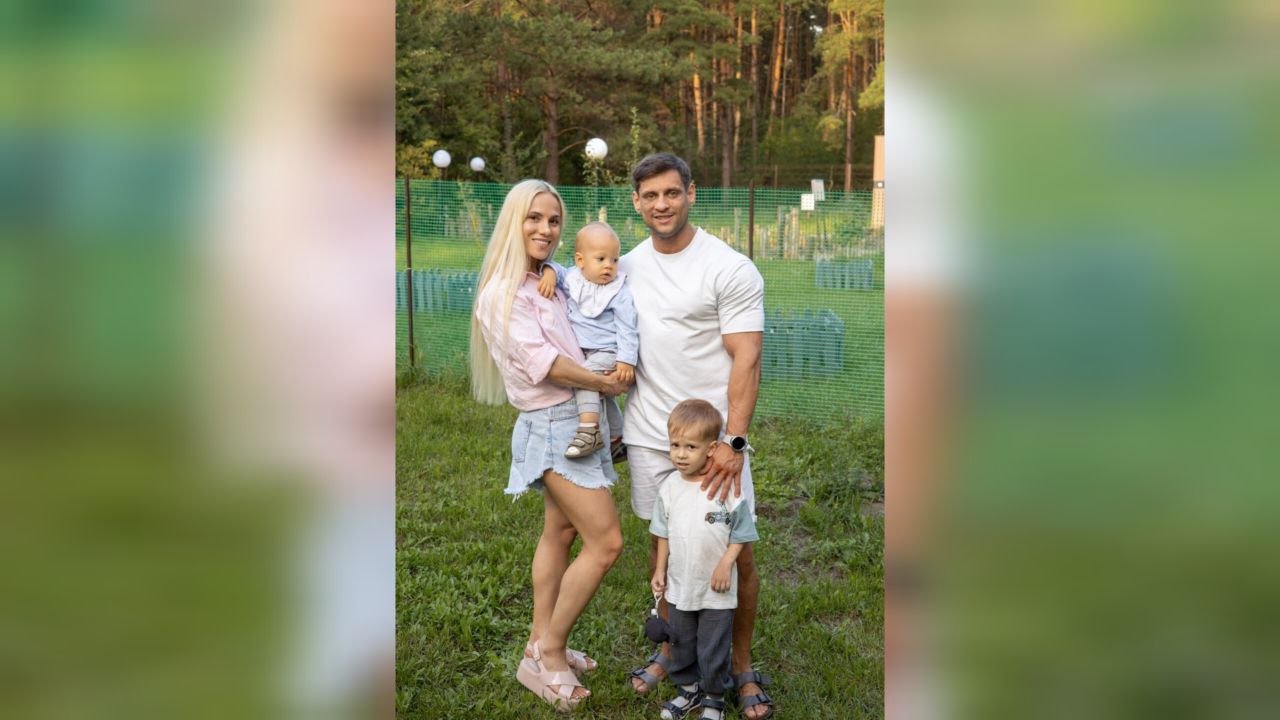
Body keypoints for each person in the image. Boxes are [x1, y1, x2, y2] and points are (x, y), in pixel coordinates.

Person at [621, 153, 775, 719]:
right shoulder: (625, 267)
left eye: (671, 192)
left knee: (737, 553)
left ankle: (740, 665)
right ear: (636, 202)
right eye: (650, 195)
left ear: (691, 193)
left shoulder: (729, 267)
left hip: (714, 444)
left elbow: (747, 358)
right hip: (650, 435)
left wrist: (733, 443)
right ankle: (673, 650)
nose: (661, 204)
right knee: (663, 543)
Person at [470, 179, 629, 711]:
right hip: (557, 424)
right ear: (513, 222)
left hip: (576, 415)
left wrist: (558, 273)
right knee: (606, 542)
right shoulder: (502, 293)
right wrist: (603, 382)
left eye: (554, 220)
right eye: (534, 218)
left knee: (559, 533)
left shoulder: (547, 280)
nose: (545, 229)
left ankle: (538, 641)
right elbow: (547, 363)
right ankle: (550, 654)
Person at [649, 400, 759, 720]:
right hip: (680, 585)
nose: (680, 454)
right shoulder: (670, 487)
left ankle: (713, 697)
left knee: (713, 646)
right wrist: (660, 569)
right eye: (675, 445)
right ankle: (688, 690)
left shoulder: (726, 488)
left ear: (711, 449)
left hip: (716, 589)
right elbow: (662, 533)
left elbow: (741, 532)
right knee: (681, 642)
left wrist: (726, 564)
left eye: (690, 447)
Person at [536, 221, 638, 459]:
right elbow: (558, 269)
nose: (609, 266)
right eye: (601, 259)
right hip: (587, 351)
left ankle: (589, 430)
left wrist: (626, 359)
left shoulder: (618, 291)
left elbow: (628, 327)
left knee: (585, 378)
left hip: (609, 351)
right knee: (600, 391)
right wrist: (549, 273)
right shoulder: (574, 278)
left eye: (614, 259)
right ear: (580, 261)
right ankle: (617, 436)